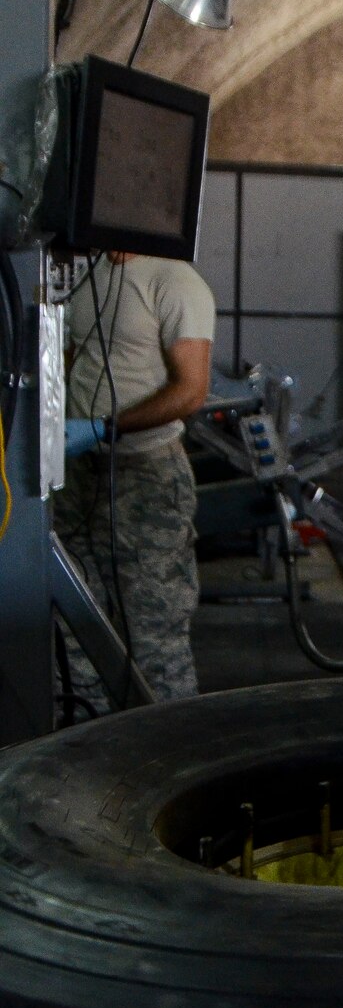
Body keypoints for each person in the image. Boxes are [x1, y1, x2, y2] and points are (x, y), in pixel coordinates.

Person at [56, 251, 215, 706]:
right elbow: (71, 362)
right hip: (78, 473)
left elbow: (191, 390)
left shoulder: (176, 281)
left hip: (146, 474)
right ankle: (89, 747)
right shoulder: (89, 277)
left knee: (153, 630)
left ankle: (170, 758)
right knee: (74, 624)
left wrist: (106, 426)